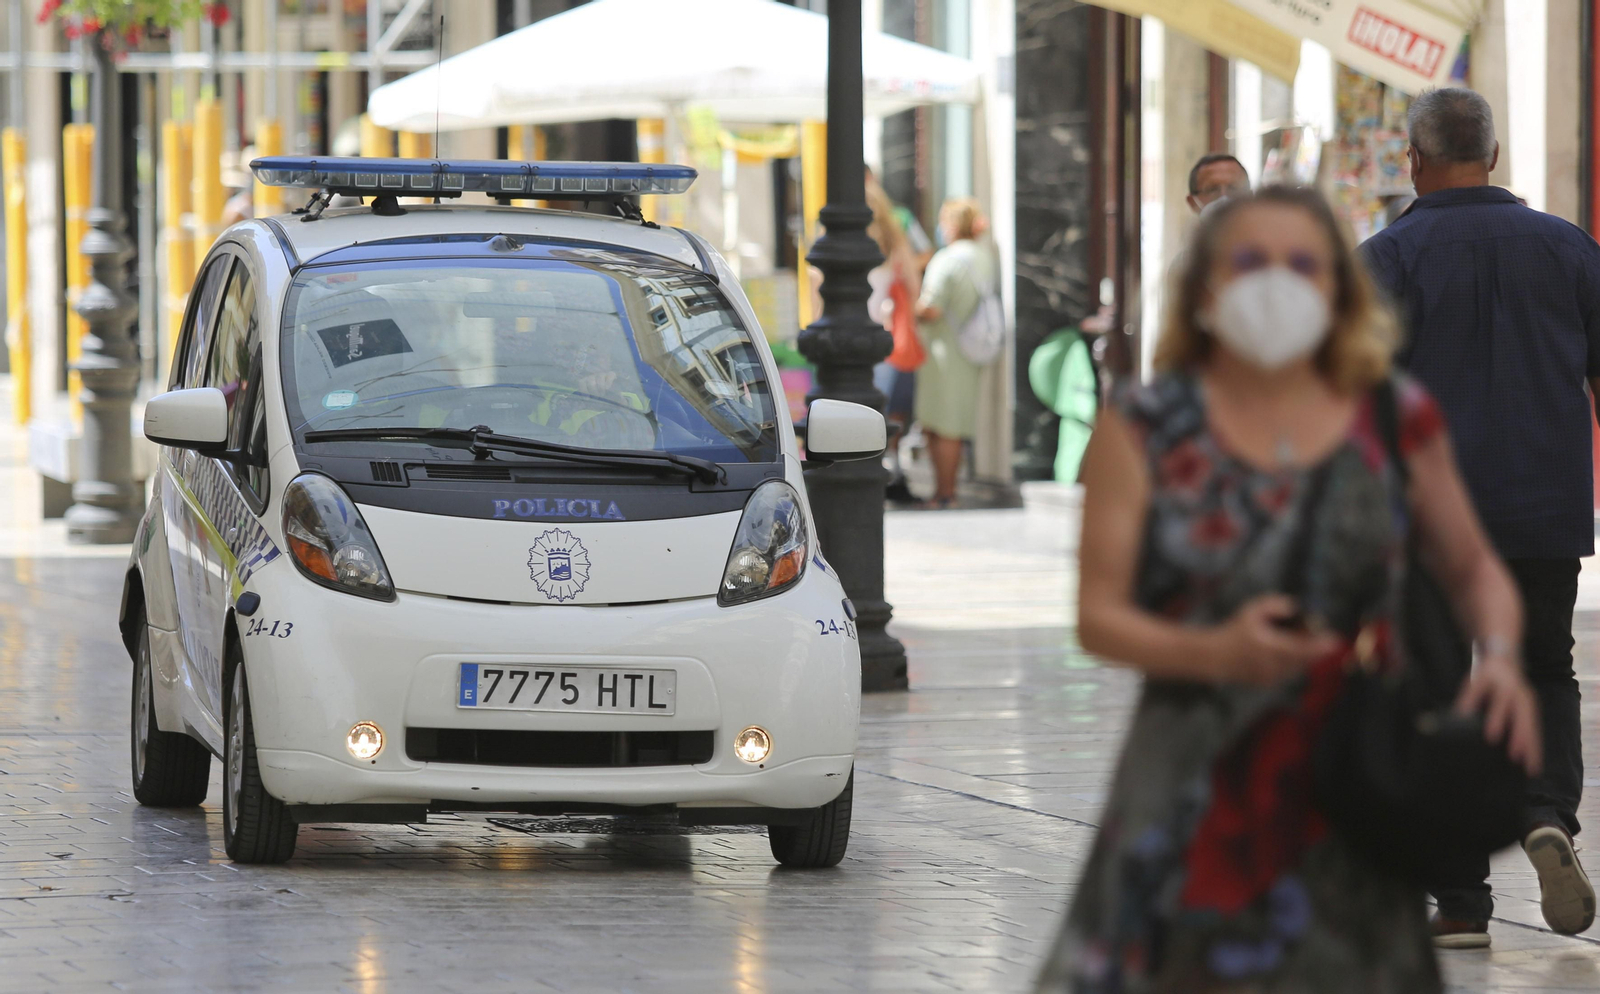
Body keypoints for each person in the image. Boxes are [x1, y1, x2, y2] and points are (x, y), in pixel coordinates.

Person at [1036, 185, 1541, 992]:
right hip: (1193, 786)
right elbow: (1098, 620)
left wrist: (1506, 657)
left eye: (1303, 264)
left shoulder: (1392, 417)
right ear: (1205, 288)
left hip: (1352, 779)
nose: (1277, 282)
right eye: (1250, 262)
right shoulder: (1143, 426)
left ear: (1339, 289)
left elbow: (1474, 565)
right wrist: (1217, 651)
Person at [1360, 86, 1599, 945]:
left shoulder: (1387, 259)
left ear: (1414, 161)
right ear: (1494, 155)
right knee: (1544, 667)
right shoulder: (1573, 249)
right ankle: (1549, 817)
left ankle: (1460, 901)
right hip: (1546, 504)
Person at [912, 198, 996, 508]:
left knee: (942, 425)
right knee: (954, 424)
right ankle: (947, 492)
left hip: (943, 350)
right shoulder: (983, 257)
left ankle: (945, 494)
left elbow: (931, 308)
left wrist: (908, 308)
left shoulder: (946, 259)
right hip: (970, 347)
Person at [865, 176, 922, 503]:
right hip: (890, 338)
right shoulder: (896, 241)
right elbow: (913, 289)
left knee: (867, 411)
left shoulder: (841, 239)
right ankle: (894, 471)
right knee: (893, 412)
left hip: (856, 338)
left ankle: (874, 471)